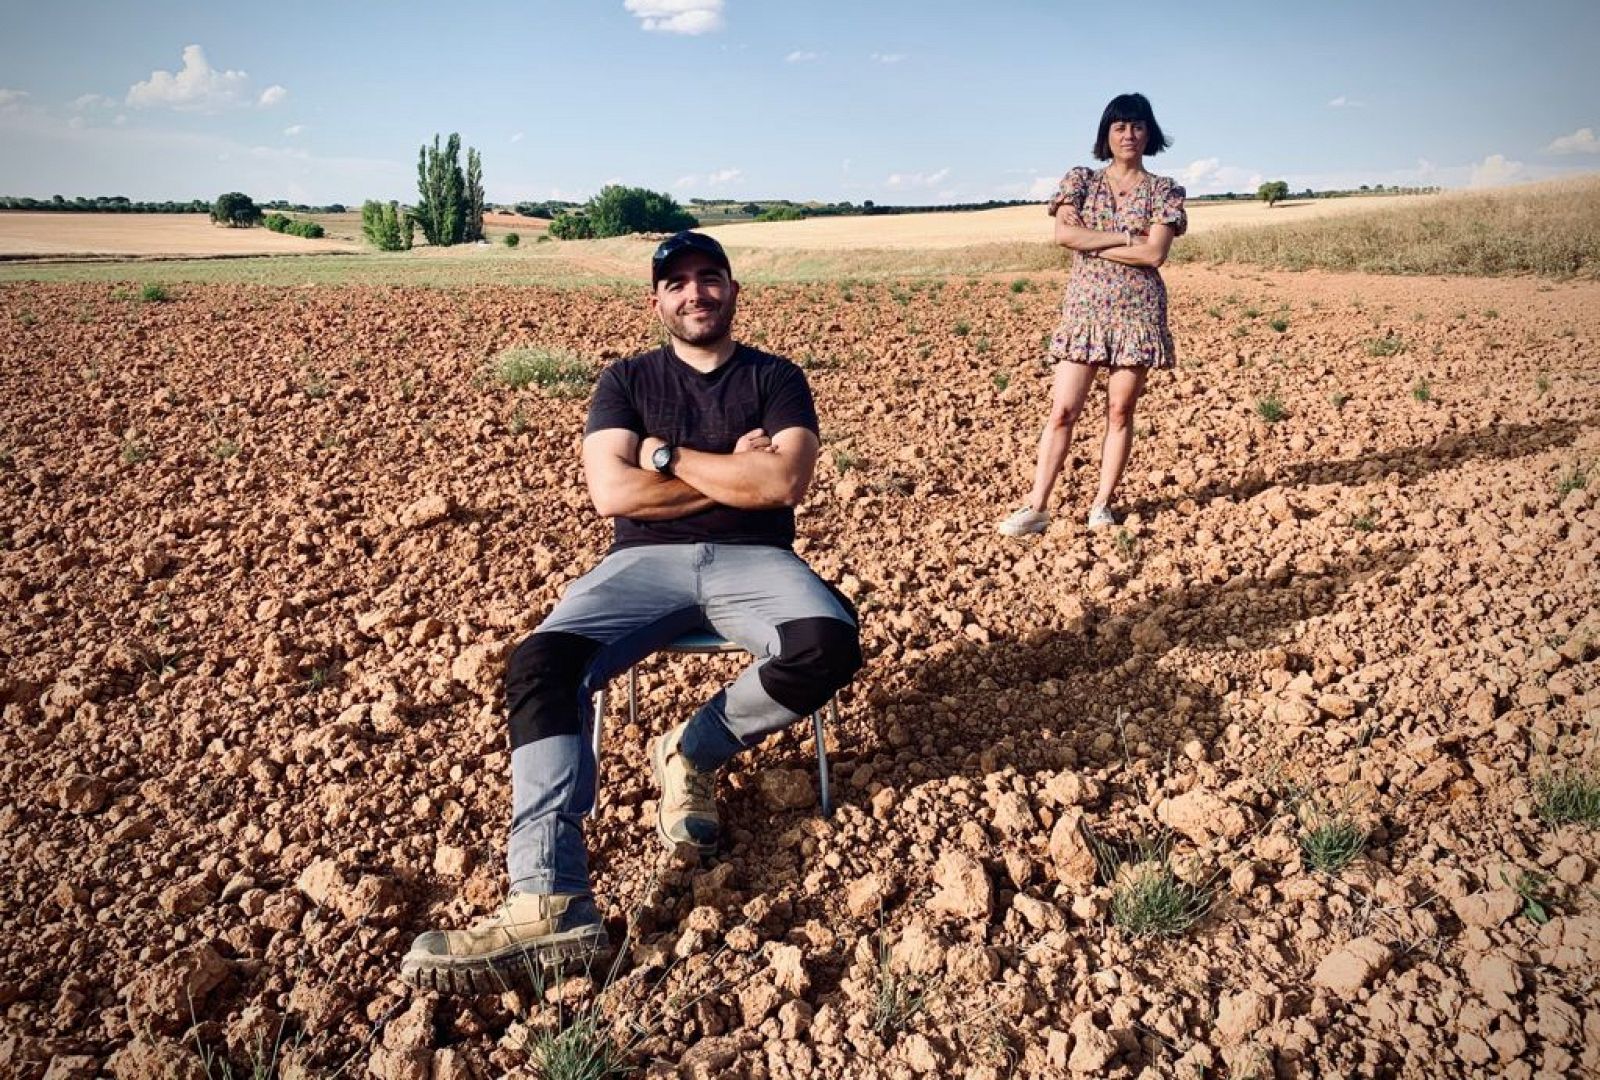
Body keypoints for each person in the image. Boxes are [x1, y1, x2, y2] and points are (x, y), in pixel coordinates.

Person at [400, 231, 863, 993]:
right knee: (540, 662)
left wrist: (666, 456)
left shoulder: (776, 378)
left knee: (828, 642)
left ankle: (694, 749)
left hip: (758, 559)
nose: (694, 293)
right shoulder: (624, 382)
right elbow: (612, 496)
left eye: (708, 278)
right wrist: (731, 468)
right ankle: (549, 900)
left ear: (733, 290)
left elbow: (782, 485)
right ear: (656, 301)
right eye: (676, 283)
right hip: (639, 563)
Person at [998, 92, 1187, 536]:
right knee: (1063, 410)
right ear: (1107, 133)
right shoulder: (1080, 180)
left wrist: (1098, 239)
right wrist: (1126, 238)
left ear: (1149, 133)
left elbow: (1155, 254)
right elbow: (1065, 236)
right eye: (1120, 126)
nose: (1129, 134)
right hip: (1084, 311)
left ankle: (1102, 505)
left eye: (1138, 126)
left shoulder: (1164, 189)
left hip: (1138, 313)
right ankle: (1037, 506)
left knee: (1120, 411)